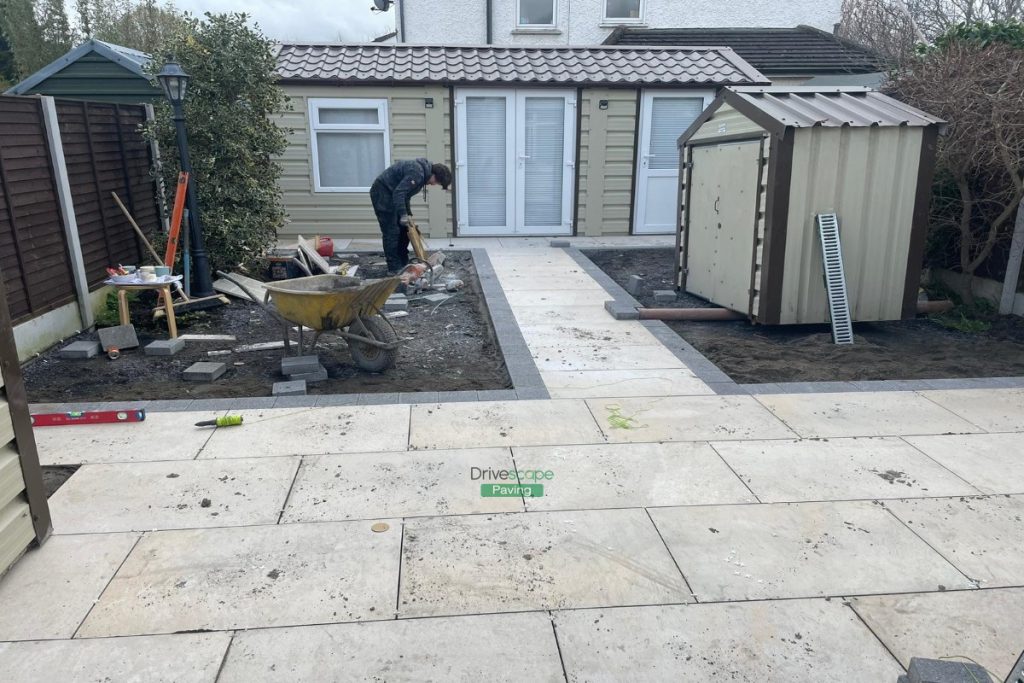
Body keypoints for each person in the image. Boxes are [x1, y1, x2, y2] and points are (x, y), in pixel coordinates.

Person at [370, 159, 452, 274]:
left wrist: (408, 215)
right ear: (434, 174)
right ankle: (394, 268)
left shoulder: (422, 175)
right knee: (391, 231)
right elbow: (399, 193)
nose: (434, 184)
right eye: (437, 181)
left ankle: (403, 262)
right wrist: (403, 214)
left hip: (393, 195)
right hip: (382, 193)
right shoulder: (417, 173)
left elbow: (406, 195)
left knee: (405, 229)